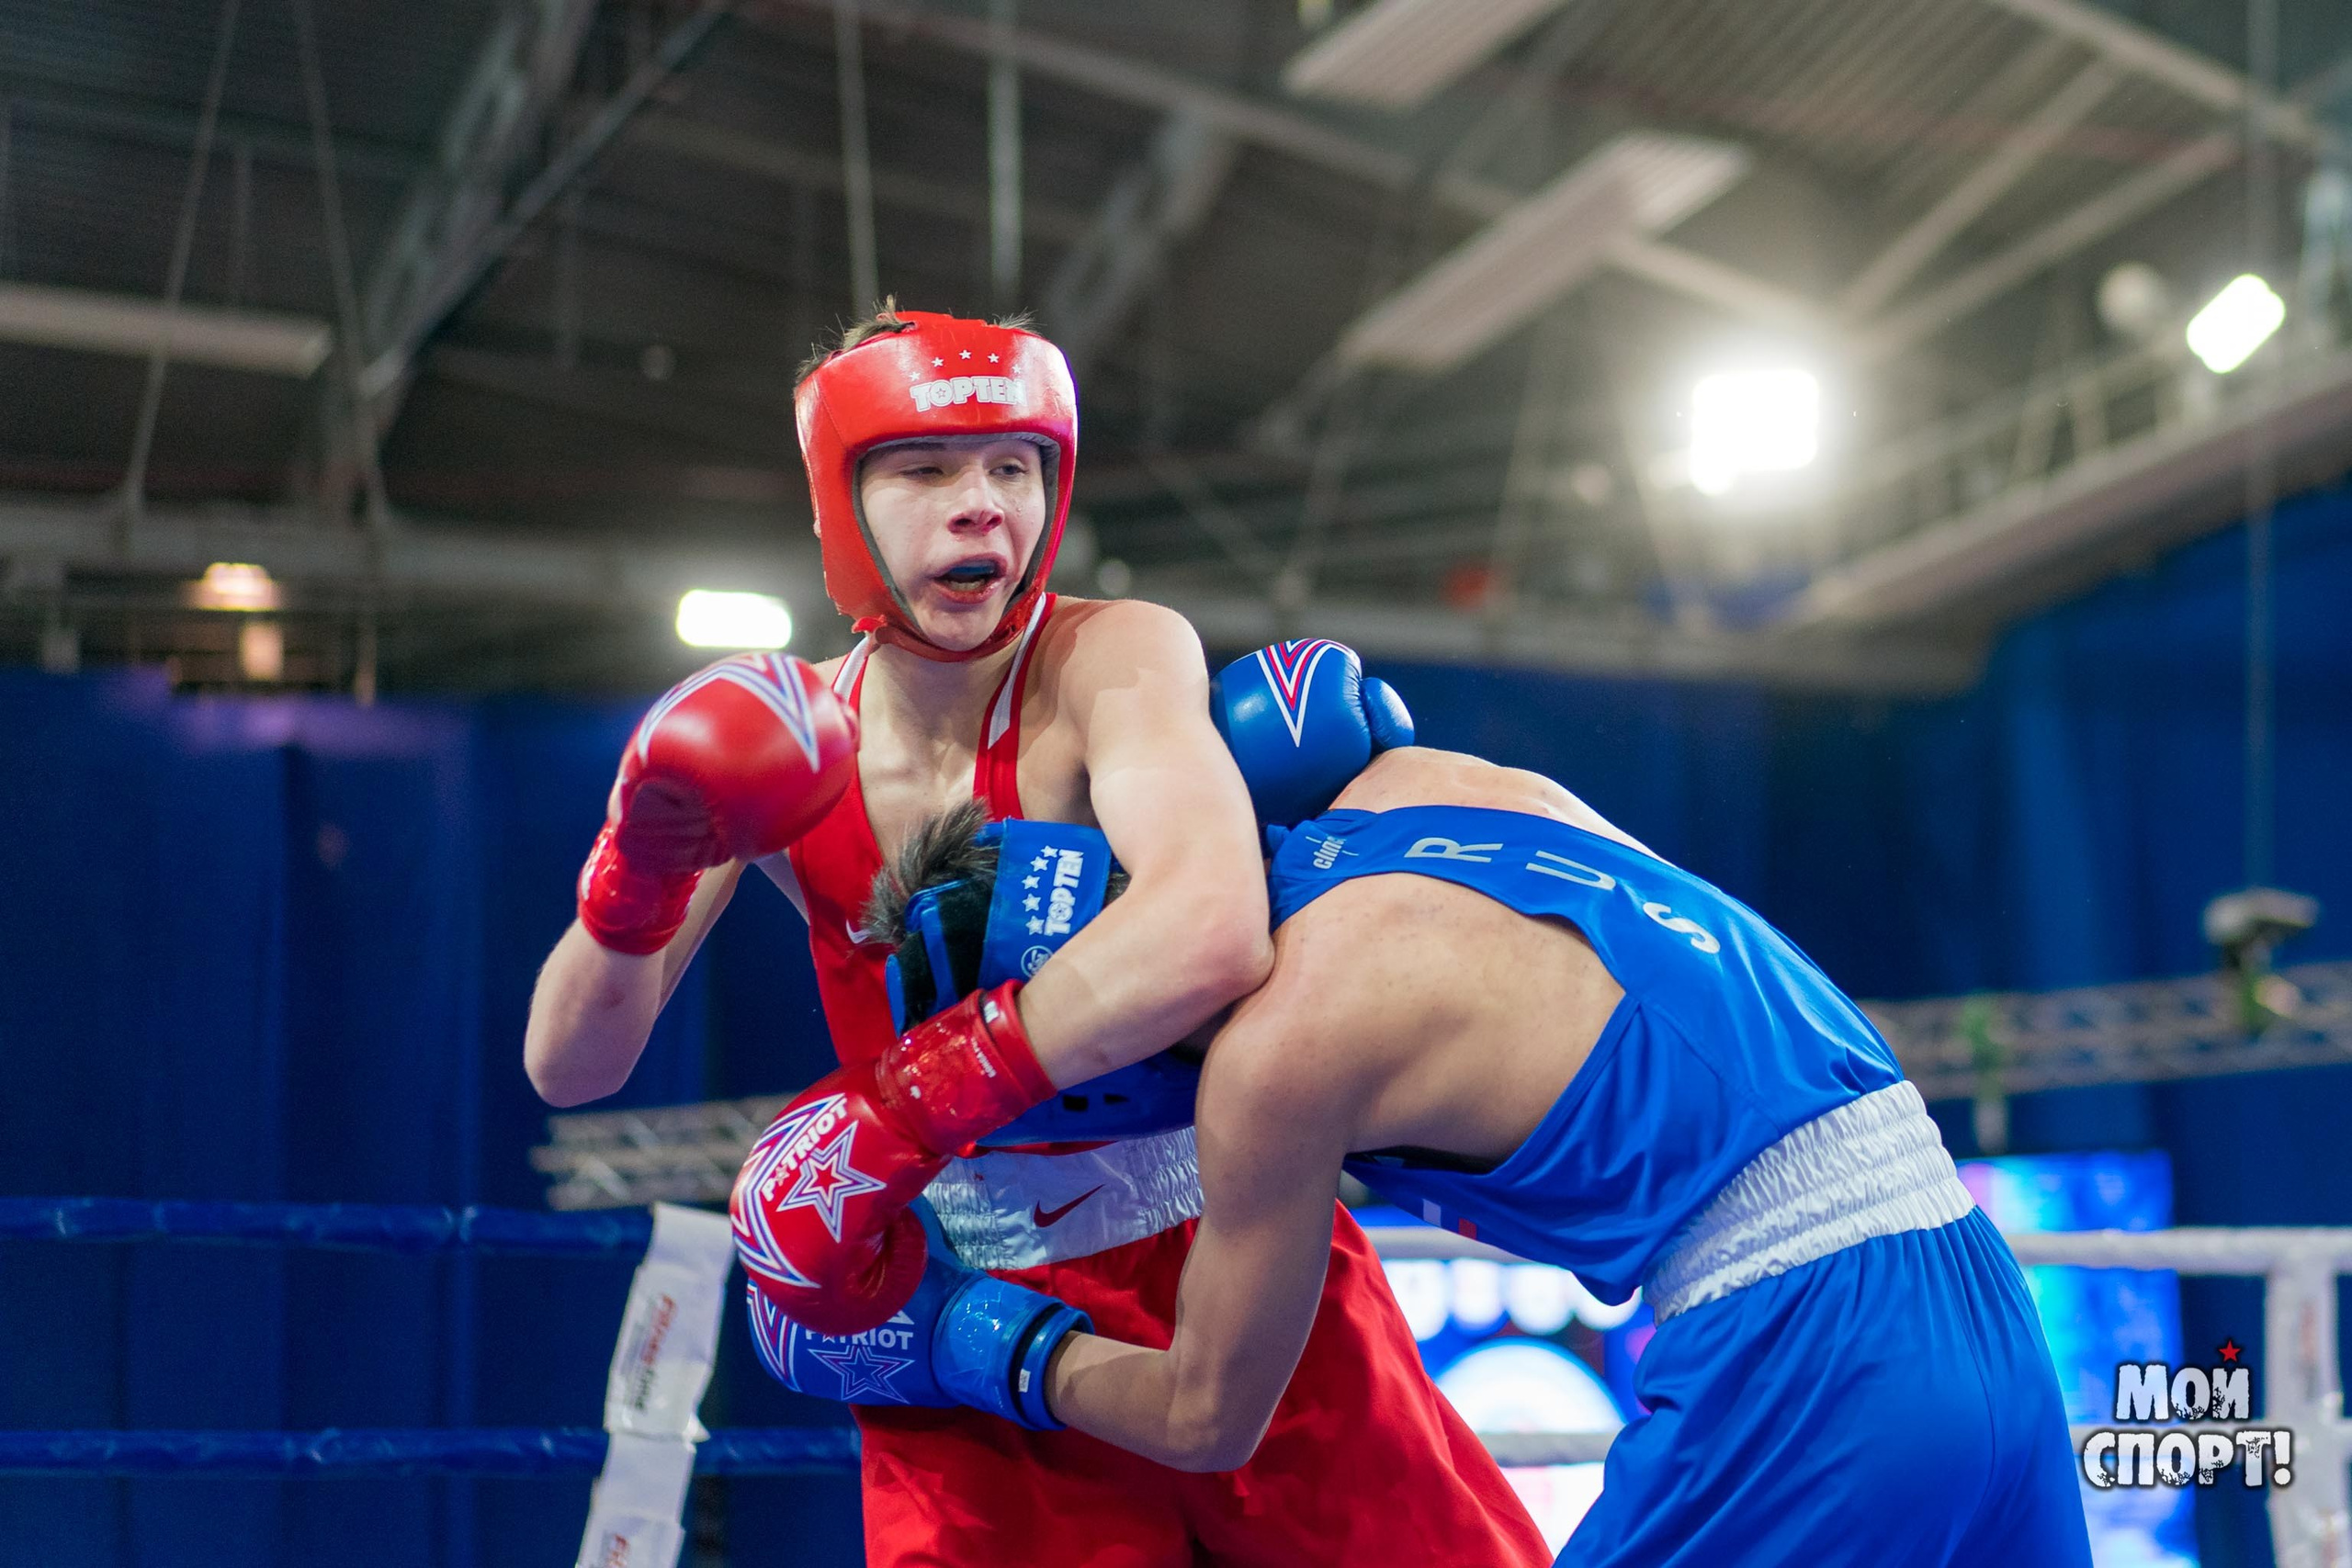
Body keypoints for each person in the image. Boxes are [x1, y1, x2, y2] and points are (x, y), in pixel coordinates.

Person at [529, 306, 1548, 1566]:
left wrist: (898, 1107)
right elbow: (573, 1067)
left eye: (1014, 466)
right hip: (961, 1308)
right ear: (835, 502)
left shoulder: (1108, 661)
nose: (981, 507)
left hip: (1224, 1246)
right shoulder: (783, 741)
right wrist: (641, 861)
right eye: (926, 469)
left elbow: (1212, 926)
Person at [797, 656, 2096, 1568]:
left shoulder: (1277, 1056)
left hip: (1808, 1357)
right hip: (1975, 1287)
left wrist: (969, 1338)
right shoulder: (1416, 785)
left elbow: (1208, 1419)